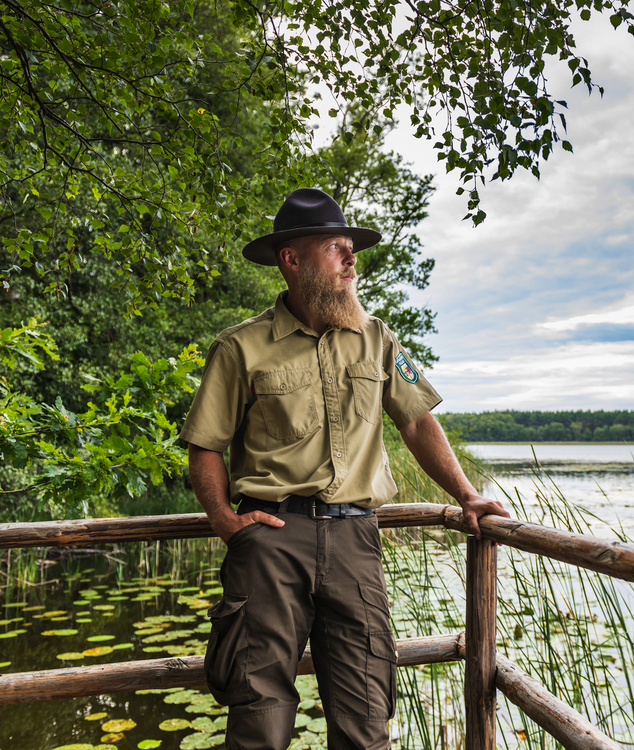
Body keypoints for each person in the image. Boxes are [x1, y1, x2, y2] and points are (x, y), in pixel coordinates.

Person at [179, 188, 509, 750]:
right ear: (292, 259)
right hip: (272, 540)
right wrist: (223, 521)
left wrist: (467, 494)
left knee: (365, 715)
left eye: (351, 248)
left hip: (356, 538)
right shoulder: (239, 347)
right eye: (337, 248)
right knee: (259, 717)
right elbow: (204, 445)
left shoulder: (378, 339)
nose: (352, 260)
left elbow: (417, 422)